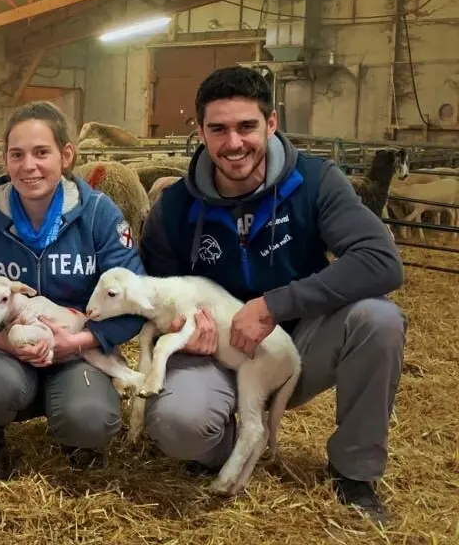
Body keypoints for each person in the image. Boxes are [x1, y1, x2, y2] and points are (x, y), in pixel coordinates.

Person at [138, 65, 406, 523]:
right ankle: (228, 445)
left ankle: (355, 473)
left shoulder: (315, 182)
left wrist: (275, 305)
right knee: (178, 425)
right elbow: (157, 290)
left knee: (378, 320)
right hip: (218, 353)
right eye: (218, 129)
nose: (234, 143)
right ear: (200, 131)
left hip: (300, 344)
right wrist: (182, 328)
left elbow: (381, 261)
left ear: (272, 123)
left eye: (247, 126)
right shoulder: (175, 207)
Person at [0, 101, 147, 479]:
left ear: (65, 155)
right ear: (5, 159)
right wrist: (0, 341)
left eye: (41, 152)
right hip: (5, 351)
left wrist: (81, 341)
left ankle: (78, 434)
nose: (28, 166)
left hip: (77, 350)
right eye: (17, 154)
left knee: (90, 418)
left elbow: (135, 299)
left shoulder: (98, 214)